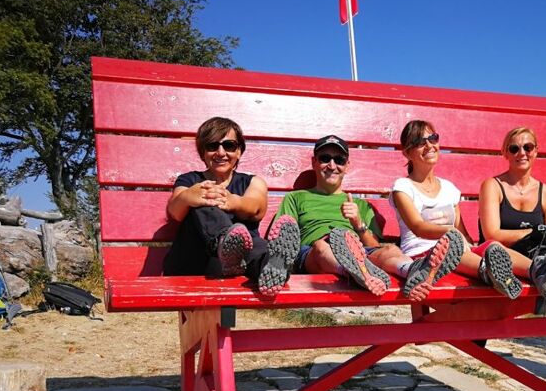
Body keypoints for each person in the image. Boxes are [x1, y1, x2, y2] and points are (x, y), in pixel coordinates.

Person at [276, 135, 463, 301]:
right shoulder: (296, 197)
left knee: (389, 249)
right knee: (322, 246)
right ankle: (355, 271)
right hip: (314, 252)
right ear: (314, 162)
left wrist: (358, 223)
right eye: (325, 158)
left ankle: (412, 270)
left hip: (358, 250)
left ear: (347, 166)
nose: (332, 165)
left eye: (339, 160)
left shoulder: (362, 205)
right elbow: (284, 237)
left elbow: (373, 245)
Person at [162, 116, 300, 296]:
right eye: (212, 146)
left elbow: (256, 208)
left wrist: (233, 201)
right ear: (203, 152)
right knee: (205, 197)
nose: (221, 152)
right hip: (197, 261)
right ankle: (224, 243)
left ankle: (273, 267)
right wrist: (190, 196)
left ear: (239, 152)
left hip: (242, 261)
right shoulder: (190, 180)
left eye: (229, 146)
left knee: (256, 245)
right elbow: (175, 211)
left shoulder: (253, 181)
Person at [391, 120, 523, 299]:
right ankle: (489, 273)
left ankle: (538, 271)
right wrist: (450, 233)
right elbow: (418, 227)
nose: (429, 145)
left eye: (433, 138)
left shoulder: (449, 188)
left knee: (492, 246)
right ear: (408, 153)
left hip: (459, 250)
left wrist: (471, 244)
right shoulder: (403, 187)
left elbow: (463, 233)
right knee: (451, 250)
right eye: (420, 142)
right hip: (422, 258)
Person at [478, 127, 546, 300]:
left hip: (534, 253)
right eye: (514, 148)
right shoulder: (492, 186)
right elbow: (491, 234)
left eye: (528, 147)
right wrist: (536, 232)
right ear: (505, 153)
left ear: (536, 151)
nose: (522, 153)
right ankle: (545, 272)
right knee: (495, 249)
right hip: (499, 255)